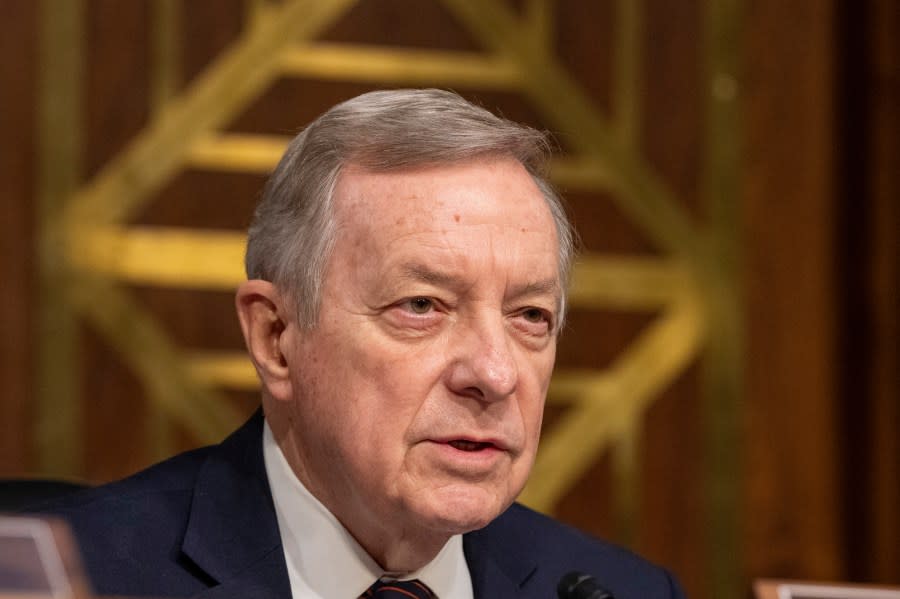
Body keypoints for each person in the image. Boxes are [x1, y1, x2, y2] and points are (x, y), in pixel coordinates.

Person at [42, 89, 685, 598]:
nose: (494, 373)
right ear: (275, 336)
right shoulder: (79, 577)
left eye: (530, 316)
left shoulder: (621, 591)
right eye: (422, 306)